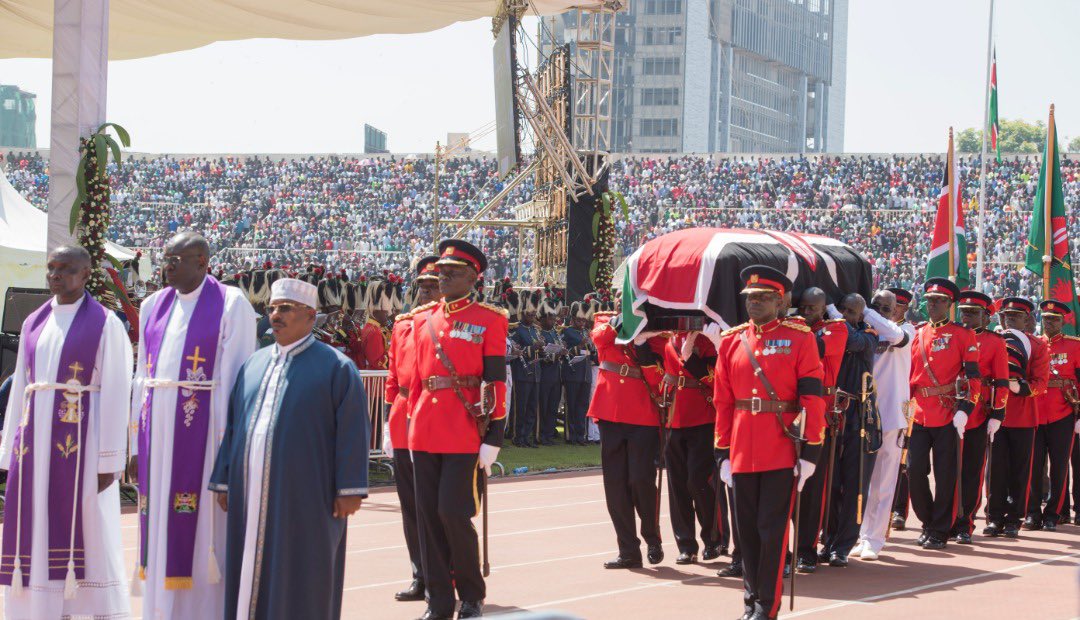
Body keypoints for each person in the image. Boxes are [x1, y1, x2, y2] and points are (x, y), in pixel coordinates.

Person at [209, 278, 370, 620]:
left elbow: (353, 431)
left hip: (308, 495)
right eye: (272, 308)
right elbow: (234, 425)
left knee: (303, 569)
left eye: (285, 308)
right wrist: (224, 478)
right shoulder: (254, 364)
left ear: (310, 315)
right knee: (248, 566)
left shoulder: (336, 367)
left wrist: (350, 488)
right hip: (249, 493)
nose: (275, 315)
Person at [0, 246, 133, 620]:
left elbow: (117, 389)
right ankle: (37, 604)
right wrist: (9, 450)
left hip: (82, 444)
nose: (55, 275)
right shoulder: (34, 321)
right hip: (34, 442)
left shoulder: (105, 324)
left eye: (66, 268)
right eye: (51, 268)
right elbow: (21, 386)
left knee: (87, 524)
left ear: (86, 273)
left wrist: (109, 460)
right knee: (35, 520)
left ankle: (82, 608)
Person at [130, 232, 257, 617]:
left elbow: (237, 378)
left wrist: (228, 446)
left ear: (202, 262)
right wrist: (134, 445)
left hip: (204, 431)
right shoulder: (152, 305)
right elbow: (142, 377)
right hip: (156, 434)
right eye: (165, 259)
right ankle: (159, 608)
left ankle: (202, 609)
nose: (166, 267)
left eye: (176, 260)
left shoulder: (231, 303)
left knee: (202, 520)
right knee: (157, 517)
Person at [708, 265, 825, 620]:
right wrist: (723, 452)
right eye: (750, 297)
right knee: (746, 532)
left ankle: (766, 605)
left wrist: (811, 451)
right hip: (743, 448)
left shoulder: (800, 338)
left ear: (780, 302)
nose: (754, 303)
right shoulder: (732, 340)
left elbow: (812, 397)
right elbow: (723, 400)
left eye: (762, 298)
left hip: (781, 447)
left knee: (771, 530)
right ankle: (750, 601)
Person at [406, 240, 508, 620]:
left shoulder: (489, 319)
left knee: (452, 512)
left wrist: (494, 436)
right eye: (441, 271)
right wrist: (405, 423)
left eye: (452, 272)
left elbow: (495, 380)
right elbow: (416, 379)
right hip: (424, 430)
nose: (443, 276)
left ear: (472, 278)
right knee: (428, 518)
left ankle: (471, 595)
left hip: (464, 431)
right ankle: (438, 601)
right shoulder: (423, 319)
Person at [820, 292, 899, 566]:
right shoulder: (831, 331)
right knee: (831, 483)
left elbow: (850, 341)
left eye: (851, 311)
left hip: (859, 416)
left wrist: (833, 313)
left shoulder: (868, 335)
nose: (845, 315)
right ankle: (828, 539)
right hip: (833, 414)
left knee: (855, 484)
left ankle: (843, 545)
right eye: (842, 309)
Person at [588, 311, 666, 570]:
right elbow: (599, 339)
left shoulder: (657, 332)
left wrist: (642, 343)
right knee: (616, 486)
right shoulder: (606, 319)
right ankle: (628, 550)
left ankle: (652, 538)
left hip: (642, 414)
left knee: (641, 480)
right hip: (609, 411)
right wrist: (624, 318)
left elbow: (657, 379)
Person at [907, 278, 980, 550]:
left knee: (946, 474)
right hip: (919, 412)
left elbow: (973, 377)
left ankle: (940, 529)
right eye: (929, 301)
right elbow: (910, 376)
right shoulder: (919, 333)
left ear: (950, 304)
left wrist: (965, 409)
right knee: (914, 471)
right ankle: (927, 521)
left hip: (948, 412)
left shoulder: (963, 335)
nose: (933, 305)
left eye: (939, 301)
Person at [383, 255, 440, 603]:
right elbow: (393, 376)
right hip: (404, 418)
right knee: (411, 505)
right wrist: (388, 421)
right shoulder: (402, 325)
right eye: (422, 286)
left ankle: (445, 574)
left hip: (436, 420)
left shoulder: (451, 324)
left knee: (440, 506)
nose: (426, 292)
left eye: (433, 285)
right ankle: (420, 573)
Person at [853, 289, 916, 559]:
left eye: (886, 308)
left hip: (891, 415)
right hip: (864, 414)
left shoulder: (906, 331)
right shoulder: (864, 332)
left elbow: (895, 336)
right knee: (861, 481)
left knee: (884, 481)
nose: (880, 312)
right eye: (875, 306)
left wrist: (865, 310)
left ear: (898, 310)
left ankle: (875, 538)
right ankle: (861, 534)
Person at [791, 287, 847, 574]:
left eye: (812, 308)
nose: (806, 312)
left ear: (824, 308)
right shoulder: (795, 329)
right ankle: (784, 549)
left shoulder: (836, 329)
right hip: (791, 411)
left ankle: (807, 550)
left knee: (813, 488)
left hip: (820, 413)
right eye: (802, 307)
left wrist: (791, 324)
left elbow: (816, 348)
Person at [984, 297, 1048, 539]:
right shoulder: (994, 340)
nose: (1010, 319)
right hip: (996, 414)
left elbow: (1041, 383)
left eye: (1016, 316)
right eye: (1006, 316)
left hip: (1023, 415)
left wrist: (1019, 387)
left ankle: (1014, 519)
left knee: (1020, 471)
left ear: (1027, 319)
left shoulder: (1037, 346)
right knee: (995, 470)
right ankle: (994, 517)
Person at [948, 291, 1008, 545]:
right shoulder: (952, 334)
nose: (967, 317)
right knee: (948, 470)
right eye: (964, 312)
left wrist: (998, 414)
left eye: (973, 313)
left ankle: (965, 523)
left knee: (971, 471)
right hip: (948, 408)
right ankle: (946, 520)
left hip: (977, 412)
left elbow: (1002, 380)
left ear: (986, 317)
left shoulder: (995, 342)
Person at [661, 332, 722, 565]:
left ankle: (713, 538)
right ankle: (686, 545)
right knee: (677, 485)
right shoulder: (668, 339)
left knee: (699, 481)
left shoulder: (707, 341)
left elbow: (717, 378)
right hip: (674, 416)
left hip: (702, 416)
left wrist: (691, 358)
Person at [1025, 300, 1080, 531]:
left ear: (1063, 321)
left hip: (1062, 414)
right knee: (1034, 467)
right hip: (1036, 413)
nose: (1049, 323)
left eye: (1054, 319)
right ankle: (1032, 513)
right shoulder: (1033, 344)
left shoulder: (1074, 346)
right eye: (1046, 318)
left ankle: (1053, 514)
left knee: (1059, 467)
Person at [888, 287, 917, 530]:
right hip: (879, 399)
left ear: (905, 308)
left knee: (901, 458)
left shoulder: (909, 331)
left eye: (896, 305)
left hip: (903, 401)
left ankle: (898, 509)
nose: (891, 309)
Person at [509, 291, 542, 447]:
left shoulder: (535, 329)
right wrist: (533, 348)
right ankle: (518, 436)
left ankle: (527, 436)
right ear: (522, 313)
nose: (532, 317)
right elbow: (515, 351)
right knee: (520, 408)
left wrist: (544, 349)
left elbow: (539, 350)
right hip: (521, 373)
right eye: (530, 314)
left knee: (532, 407)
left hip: (535, 373)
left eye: (534, 314)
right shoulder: (516, 329)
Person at [560, 302, 594, 445]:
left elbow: (591, 353)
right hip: (572, 373)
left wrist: (592, 345)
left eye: (584, 320)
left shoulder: (586, 332)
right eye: (579, 320)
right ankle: (570, 435)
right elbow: (563, 351)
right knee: (571, 405)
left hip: (585, 374)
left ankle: (581, 435)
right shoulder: (567, 332)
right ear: (573, 319)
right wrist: (579, 346)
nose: (582, 323)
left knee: (583, 406)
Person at [537, 293, 565, 445]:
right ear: (542, 319)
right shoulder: (539, 332)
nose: (553, 321)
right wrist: (556, 354)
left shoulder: (554, 332)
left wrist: (562, 350)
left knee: (553, 405)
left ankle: (549, 433)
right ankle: (541, 434)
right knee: (544, 405)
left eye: (554, 318)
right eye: (550, 318)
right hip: (544, 373)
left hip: (556, 374)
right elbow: (542, 355)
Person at [357, 277, 395, 370]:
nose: (388, 315)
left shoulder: (374, 328)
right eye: (385, 312)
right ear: (376, 311)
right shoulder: (374, 332)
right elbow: (378, 362)